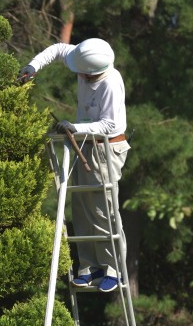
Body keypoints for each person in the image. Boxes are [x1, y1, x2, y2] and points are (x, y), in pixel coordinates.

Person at [20, 38, 130, 293]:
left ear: (92, 72)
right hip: (84, 143)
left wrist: (76, 126)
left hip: (106, 148)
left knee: (102, 209)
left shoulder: (110, 83)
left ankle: (114, 269)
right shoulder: (84, 57)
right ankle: (89, 267)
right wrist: (33, 65)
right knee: (80, 208)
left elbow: (111, 125)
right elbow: (59, 49)